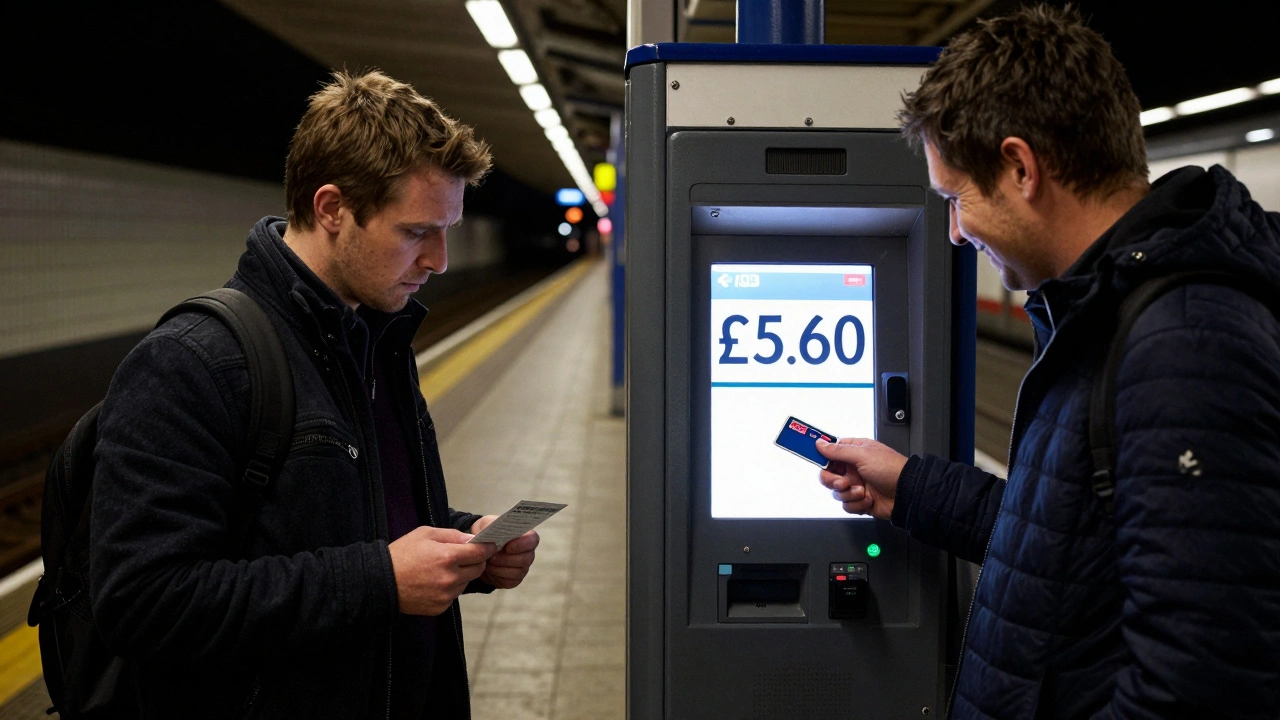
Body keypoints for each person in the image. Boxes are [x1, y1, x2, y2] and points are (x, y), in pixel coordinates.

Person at [816, 5, 1280, 718]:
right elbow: (1069, 541)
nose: (955, 232)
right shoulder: (1108, 314)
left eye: (955, 198)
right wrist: (910, 488)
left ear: (1020, 167)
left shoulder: (1184, 345)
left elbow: (1199, 683)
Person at [90, 70, 539, 719]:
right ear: (331, 209)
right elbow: (143, 601)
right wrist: (379, 580)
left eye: (447, 230)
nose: (439, 259)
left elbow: (357, 523)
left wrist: (464, 542)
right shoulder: (192, 363)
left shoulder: (378, 342)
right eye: (417, 232)